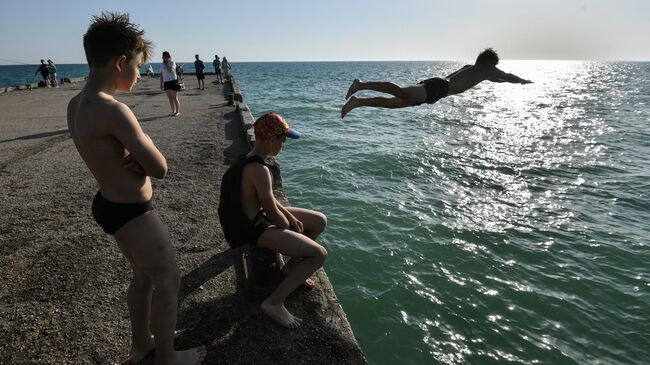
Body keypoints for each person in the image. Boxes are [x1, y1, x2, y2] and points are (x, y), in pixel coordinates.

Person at [67, 12, 206, 365]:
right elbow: (159, 168)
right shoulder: (113, 110)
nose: (141, 73)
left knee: (143, 277)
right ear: (120, 62)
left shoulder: (76, 104)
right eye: (138, 66)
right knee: (169, 279)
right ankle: (166, 357)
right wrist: (142, 151)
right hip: (132, 211)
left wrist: (128, 152)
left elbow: (104, 152)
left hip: (109, 203)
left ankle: (142, 343)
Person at [218, 112, 328, 329]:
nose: (284, 146)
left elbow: (271, 201)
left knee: (319, 221)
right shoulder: (259, 170)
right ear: (270, 140)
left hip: (254, 218)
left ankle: (291, 270)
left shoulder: (249, 160)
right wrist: (291, 229)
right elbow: (272, 212)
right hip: (253, 229)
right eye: (282, 140)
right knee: (318, 254)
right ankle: (274, 303)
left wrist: (289, 218)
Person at [341, 48, 533, 118]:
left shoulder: (472, 67)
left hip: (437, 88)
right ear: (490, 62)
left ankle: (357, 102)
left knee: (392, 104)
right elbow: (506, 76)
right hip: (438, 88)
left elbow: (497, 79)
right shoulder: (487, 69)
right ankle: (360, 84)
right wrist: (522, 81)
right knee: (398, 92)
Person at [160, 51, 181, 116]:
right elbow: (161, 74)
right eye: (164, 57)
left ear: (169, 57)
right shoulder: (162, 64)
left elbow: (171, 71)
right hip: (166, 82)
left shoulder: (172, 63)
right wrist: (161, 83)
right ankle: (173, 111)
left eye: (167, 57)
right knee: (170, 98)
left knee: (175, 98)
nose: (165, 59)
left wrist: (166, 64)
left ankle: (177, 111)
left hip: (173, 81)